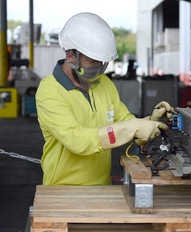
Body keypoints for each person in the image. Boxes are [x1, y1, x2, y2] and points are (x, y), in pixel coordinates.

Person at [35, 12, 174, 186]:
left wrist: (150, 121)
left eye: (103, 62)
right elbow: (77, 140)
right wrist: (132, 127)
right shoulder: (50, 91)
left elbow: (126, 123)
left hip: (102, 188)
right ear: (71, 55)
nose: (99, 68)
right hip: (63, 190)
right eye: (92, 61)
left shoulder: (104, 84)